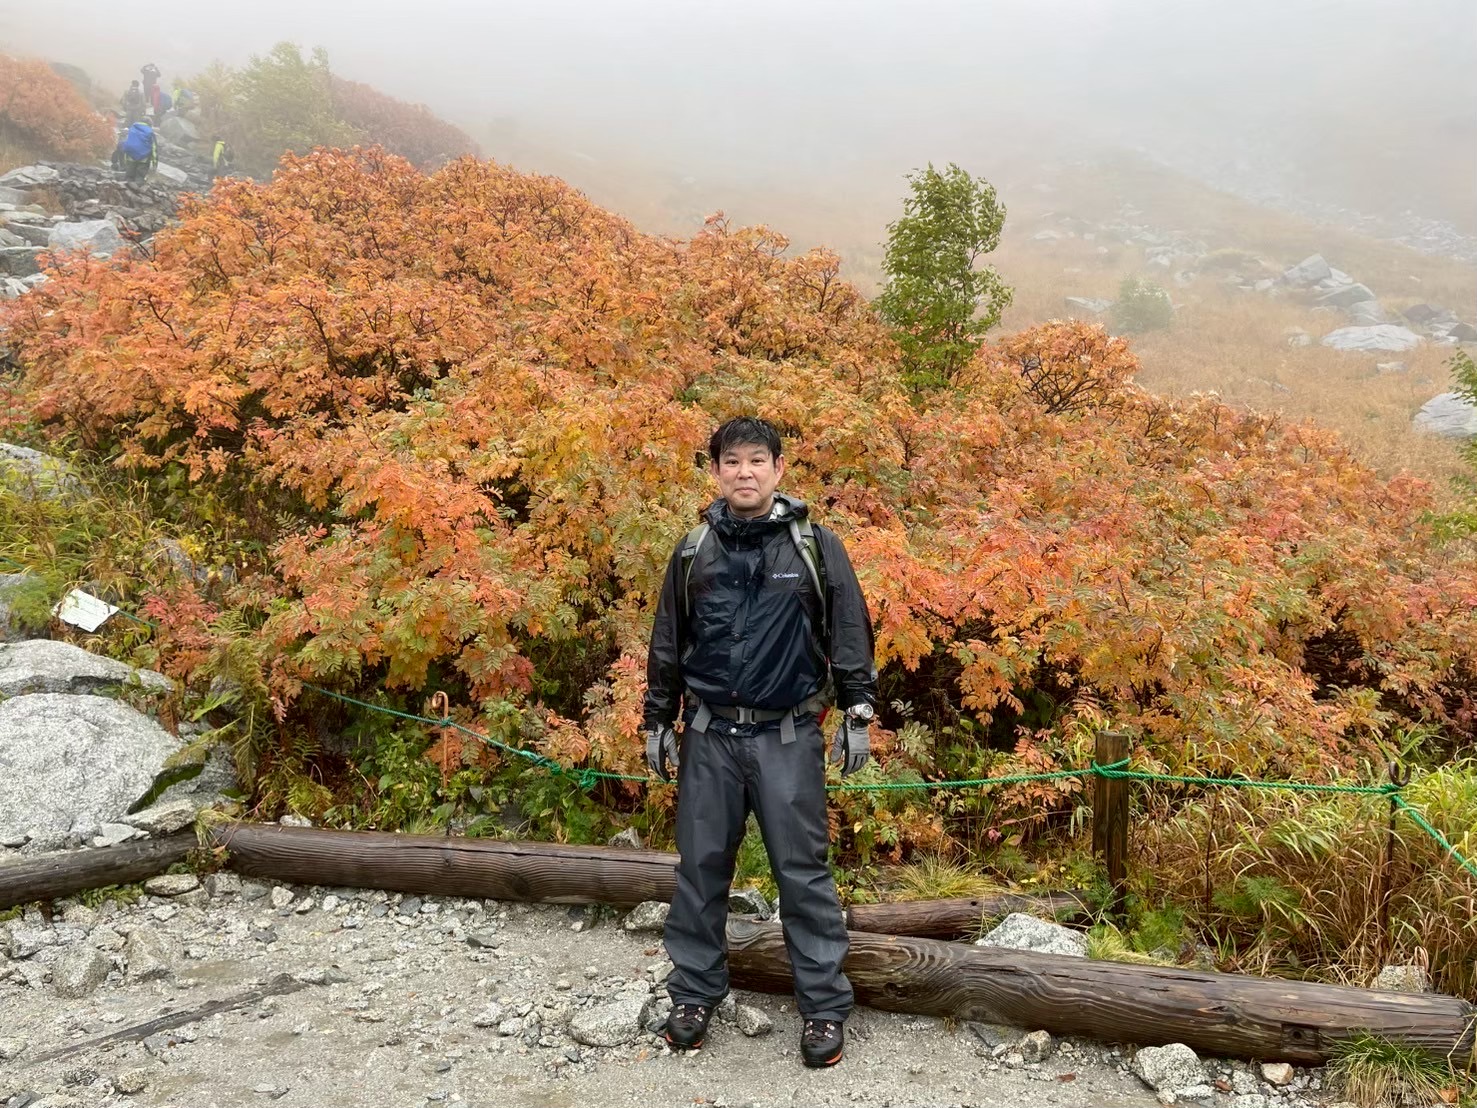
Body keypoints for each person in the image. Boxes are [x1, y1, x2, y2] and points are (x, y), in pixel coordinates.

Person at [642, 416, 877, 1069]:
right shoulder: (693, 550)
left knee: (802, 875)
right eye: (731, 461)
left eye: (756, 461)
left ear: (777, 469)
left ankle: (824, 1008)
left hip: (788, 734)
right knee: (699, 872)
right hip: (710, 736)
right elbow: (668, 641)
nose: (744, 472)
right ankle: (693, 994)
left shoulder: (813, 545)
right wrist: (656, 719)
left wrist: (858, 710)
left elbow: (849, 631)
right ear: (715, 471)